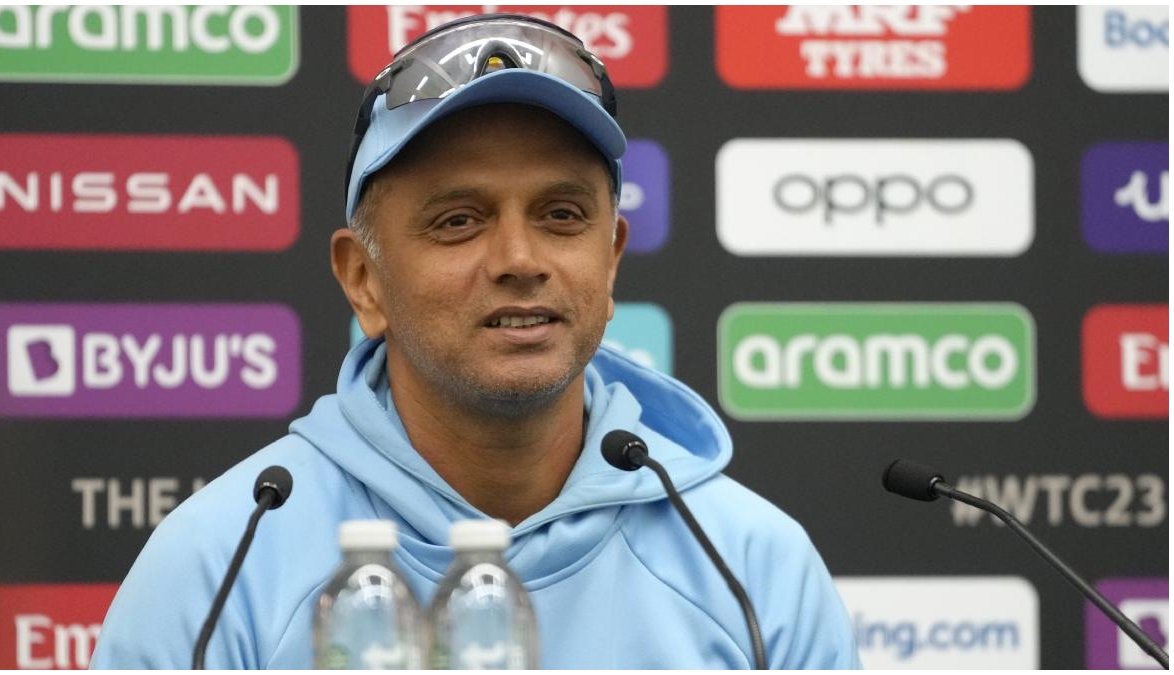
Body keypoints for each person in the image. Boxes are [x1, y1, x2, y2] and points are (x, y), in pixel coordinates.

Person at [91, 14, 860, 669]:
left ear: (611, 259)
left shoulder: (753, 565)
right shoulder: (218, 564)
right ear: (363, 279)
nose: (520, 259)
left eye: (561, 215)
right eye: (459, 220)